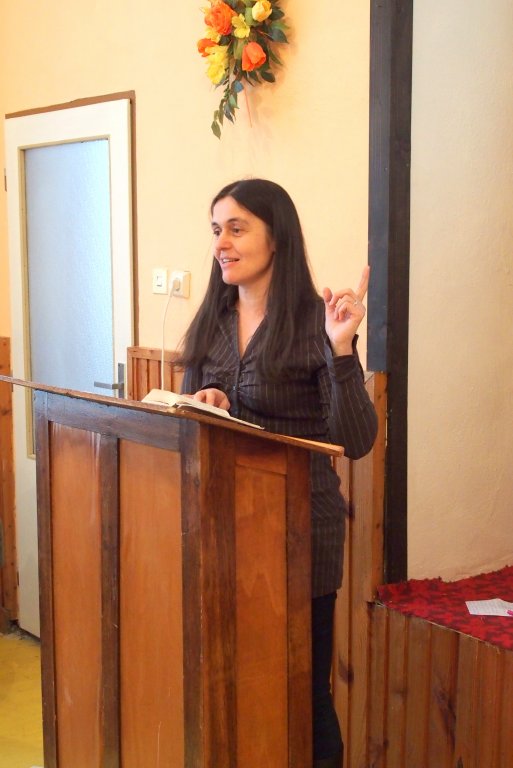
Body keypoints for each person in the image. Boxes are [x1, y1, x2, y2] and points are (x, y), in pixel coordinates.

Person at [179, 178, 378, 768]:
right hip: (221, 527)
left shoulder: (316, 321)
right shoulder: (212, 320)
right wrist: (208, 401)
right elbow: (188, 417)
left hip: (299, 533)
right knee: (230, 680)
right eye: (217, 230)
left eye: (237, 228)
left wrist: (340, 349)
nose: (221, 243)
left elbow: (356, 440)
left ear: (276, 237)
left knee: (303, 692)